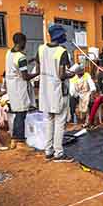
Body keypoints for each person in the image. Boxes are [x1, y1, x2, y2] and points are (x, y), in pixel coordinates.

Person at [36, 24, 75, 163]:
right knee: (60, 122)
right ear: (60, 36)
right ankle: (58, 153)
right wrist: (73, 74)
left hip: (45, 90)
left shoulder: (41, 49)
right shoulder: (61, 51)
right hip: (59, 91)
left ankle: (48, 150)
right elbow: (61, 74)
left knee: (49, 120)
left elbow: (39, 67)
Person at [5, 32, 38, 147]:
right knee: (21, 114)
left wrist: (31, 60)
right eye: (25, 42)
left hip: (12, 86)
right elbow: (25, 76)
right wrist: (37, 73)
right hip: (19, 87)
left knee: (17, 113)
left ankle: (15, 138)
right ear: (22, 42)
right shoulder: (21, 57)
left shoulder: (9, 53)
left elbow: (16, 64)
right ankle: (19, 140)